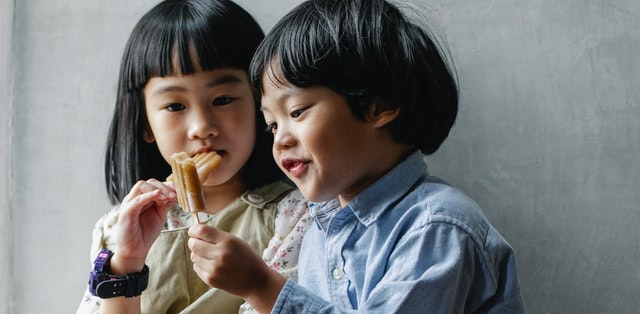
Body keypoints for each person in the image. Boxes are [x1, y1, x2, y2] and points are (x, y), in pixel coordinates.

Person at [187, 0, 526, 312]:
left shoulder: (436, 227)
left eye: (298, 111)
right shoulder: (318, 230)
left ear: (379, 104)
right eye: (272, 125)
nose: (281, 140)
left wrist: (262, 286)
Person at [76, 0, 310, 313]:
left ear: (261, 106)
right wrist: (127, 264)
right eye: (175, 106)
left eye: (223, 99)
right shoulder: (117, 228)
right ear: (145, 124)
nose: (202, 127)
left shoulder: (298, 216)